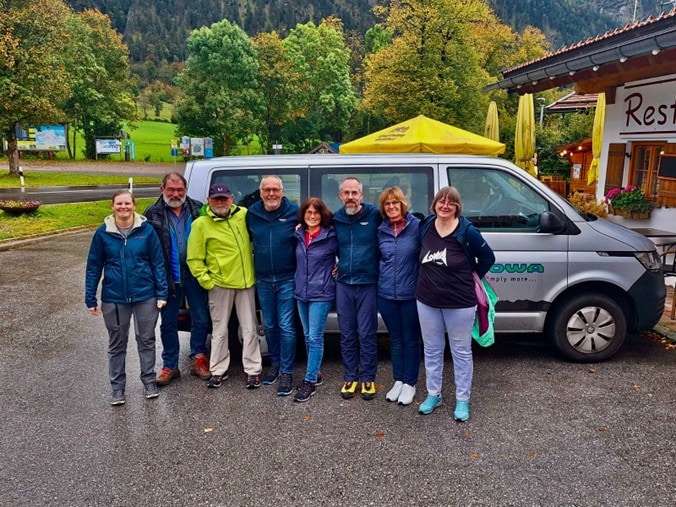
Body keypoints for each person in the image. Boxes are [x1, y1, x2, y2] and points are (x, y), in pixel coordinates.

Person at [415, 186, 495, 421]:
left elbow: (488, 257)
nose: (445, 205)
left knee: (461, 352)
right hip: (427, 300)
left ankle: (462, 399)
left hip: (460, 302)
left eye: (451, 202)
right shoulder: (426, 226)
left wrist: (471, 276)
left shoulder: (467, 231)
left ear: (457, 207)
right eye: (441, 201)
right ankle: (433, 394)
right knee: (431, 350)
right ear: (435, 204)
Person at [85, 190, 168, 406]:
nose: (123, 207)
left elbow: (158, 262)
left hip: (145, 295)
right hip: (114, 297)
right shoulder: (103, 233)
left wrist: (161, 292)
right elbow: (94, 266)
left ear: (134, 205)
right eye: (119, 204)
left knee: (146, 340)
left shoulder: (146, 231)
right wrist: (90, 297)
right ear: (112, 206)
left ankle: (149, 381)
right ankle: (117, 388)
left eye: (127, 203)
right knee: (117, 344)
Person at [186, 183, 263, 389]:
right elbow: (193, 258)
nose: (220, 202)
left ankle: (253, 370)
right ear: (209, 201)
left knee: (250, 329)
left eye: (224, 198)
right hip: (220, 284)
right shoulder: (201, 224)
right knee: (220, 331)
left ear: (231, 199)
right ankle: (218, 370)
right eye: (216, 199)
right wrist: (207, 281)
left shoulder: (243, 214)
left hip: (246, 282)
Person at [144, 172, 211, 386]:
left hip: (195, 273)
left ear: (186, 190)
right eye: (171, 189)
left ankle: (198, 358)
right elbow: (146, 247)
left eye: (180, 190)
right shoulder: (152, 213)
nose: (175, 194)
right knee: (168, 323)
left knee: (201, 318)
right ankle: (170, 365)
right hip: (167, 276)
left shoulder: (198, 208)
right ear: (162, 189)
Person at [246, 175, 299, 396]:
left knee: (286, 325)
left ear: (282, 191)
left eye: (275, 189)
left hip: (288, 278)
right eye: (266, 189)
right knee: (269, 325)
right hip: (263, 279)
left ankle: (287, 371)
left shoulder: (294, 212)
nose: (271, 194)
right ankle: (275, 363)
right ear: (260, 192)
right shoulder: (252, 214)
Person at [333, 177, 382, 400]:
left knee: (367, 333)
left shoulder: (374, 215)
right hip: (343, 283)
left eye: (355, 193)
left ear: (362, 195)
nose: (351, 197)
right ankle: (351, 377)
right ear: (340, 196)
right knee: (347, 334)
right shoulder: (336, 219)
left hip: (367, 283)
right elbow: (314, 230)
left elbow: (397, 222)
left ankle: (368, 378)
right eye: (346, 193)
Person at [376, 186, 421, 407]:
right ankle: (399, 379)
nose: (391, 207)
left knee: (411, 340)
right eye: (387, 203)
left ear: (403, 204)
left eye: (395, 202)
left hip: (410, 293)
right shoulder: (381, 230)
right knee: (395, 339)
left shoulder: (417, 227)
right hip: (385, 294)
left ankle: (410, 383)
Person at [292, 198, 338, 402]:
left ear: (322, 215)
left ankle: (309, 381)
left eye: (316, 213)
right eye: (308, 212)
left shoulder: (331, 235)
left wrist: (340, 267)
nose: (312, 216)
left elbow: (346, 254)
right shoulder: (299, 234)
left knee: (315, 337)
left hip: (321, 291)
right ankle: (316, 372)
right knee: (307, 333)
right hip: (301, 291)